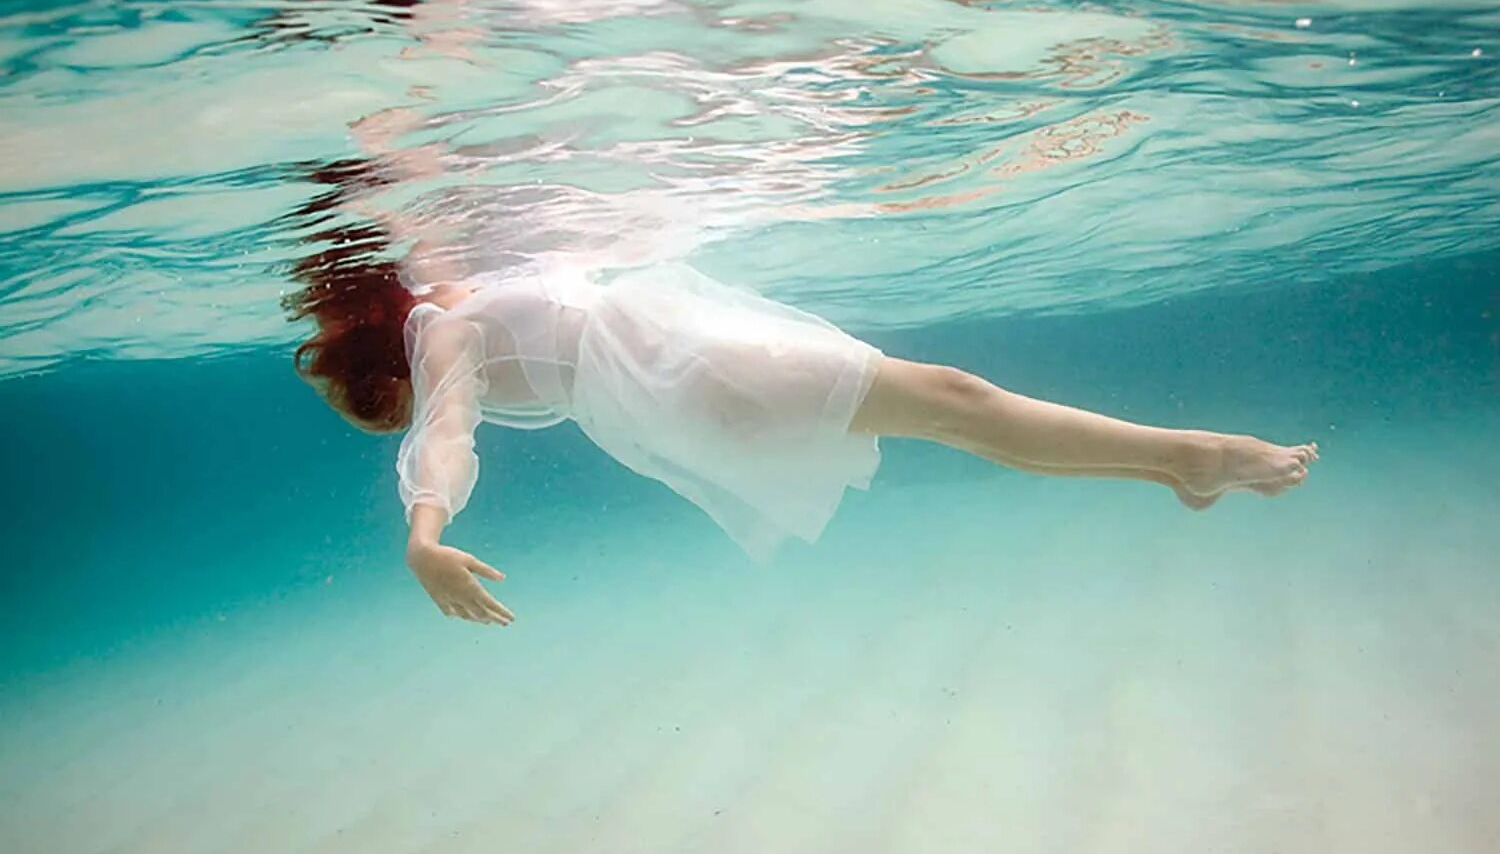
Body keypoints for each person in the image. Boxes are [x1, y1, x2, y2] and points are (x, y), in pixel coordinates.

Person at [287, 215, 1318, 628]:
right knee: (954, 403)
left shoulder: (448, 314)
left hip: (683, 377)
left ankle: (1177, 469)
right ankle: (1193, 456)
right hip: (685, 378)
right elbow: (449, 428)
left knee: (954, 412)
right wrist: (424, 535)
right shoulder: (443, 338)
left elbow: (455, 406)